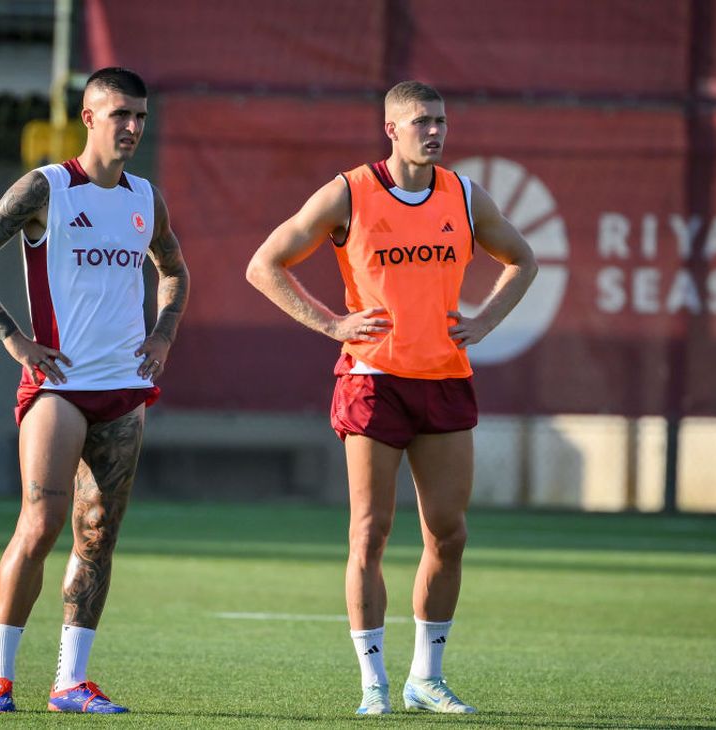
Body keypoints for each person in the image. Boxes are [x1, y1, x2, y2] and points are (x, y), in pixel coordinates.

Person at [246, 80, 536, 716]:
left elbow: (522, 258)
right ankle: (373, 683)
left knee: (449, 534)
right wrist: (331, 324)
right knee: (370, 533)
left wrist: (483, 322)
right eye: (421, 121)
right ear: (391, 130)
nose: (434, 131)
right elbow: (265, 264)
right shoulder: (350, 192)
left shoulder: (463, 193)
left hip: (445, 379)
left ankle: (425, 678)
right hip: (372, 380)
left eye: (441, 121)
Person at [0, 67, 189, 714]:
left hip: (124, 392)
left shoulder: (147, 198)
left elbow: (174, 270)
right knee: (42, 523)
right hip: (58, 389)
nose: (133, 126)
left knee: (99, 536)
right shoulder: (48, 188)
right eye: (119, 115)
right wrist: (11, 337)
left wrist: (163, 332)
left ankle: (70, 683)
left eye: (140, 115)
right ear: (88, 118)